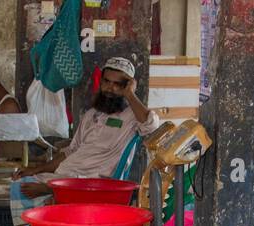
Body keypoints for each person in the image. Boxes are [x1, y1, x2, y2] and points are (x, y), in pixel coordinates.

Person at [10, 56, 161, 203]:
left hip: (93, 183)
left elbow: (152, 125)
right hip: (67, 175)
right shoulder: (91, 114)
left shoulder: (132, 117)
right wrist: (36, 169)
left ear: (128, 85)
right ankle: (50, 193)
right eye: (107, 81)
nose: (111, 88)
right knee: (15, 183)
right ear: (101, 81)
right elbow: (71, 151)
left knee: (22, 192)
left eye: (118, 84)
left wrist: (130, 94)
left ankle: (51, 192)